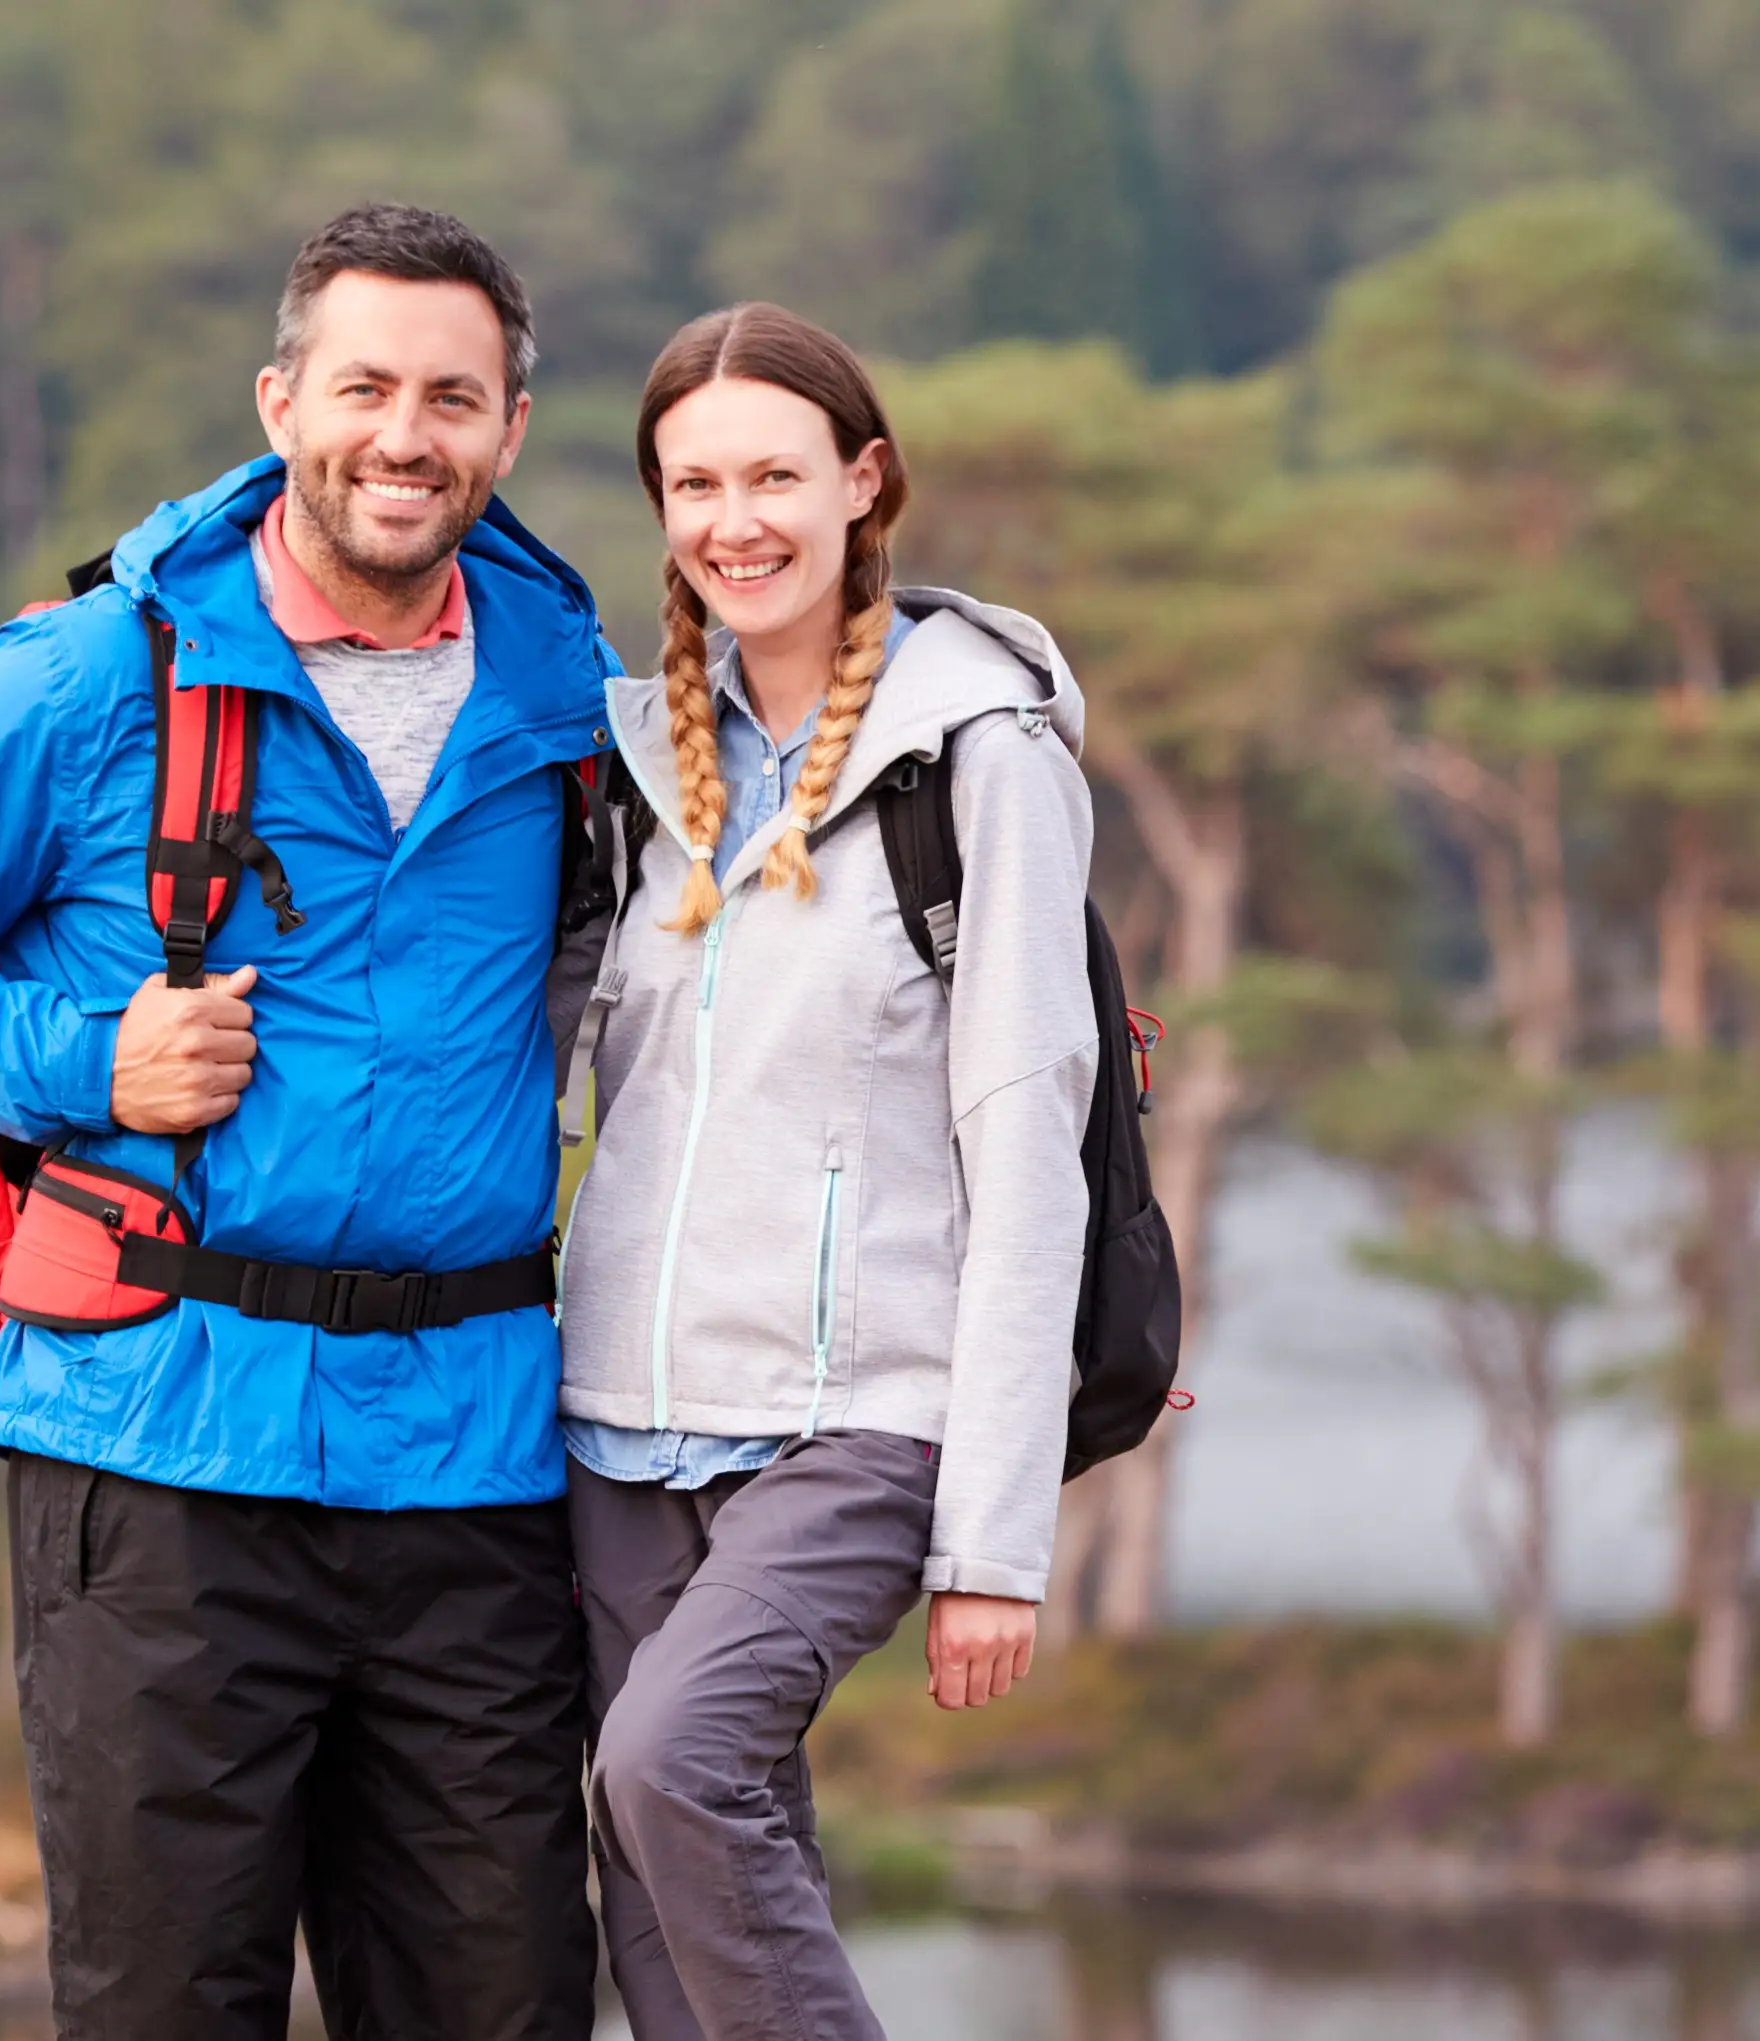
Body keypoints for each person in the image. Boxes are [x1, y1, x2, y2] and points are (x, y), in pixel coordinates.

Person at [0, 204, 616, 2041]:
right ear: (281, 401)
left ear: (511, 431)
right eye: (365, 388)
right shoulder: (94, 671)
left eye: (452, 398)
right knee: (166, 2009)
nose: (405, 436)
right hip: (158, 1456)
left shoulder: (571, 688)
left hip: (473, 1468)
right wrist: (89, 1063)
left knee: (508, 2008)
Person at [555, 300, 1091, 2041]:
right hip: (622, 1419)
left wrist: (993, 1542)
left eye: (776, 476)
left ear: (865, 481)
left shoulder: (980, 756)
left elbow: (1033, 1151)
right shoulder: (636, 765)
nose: (738, 522)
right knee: (651, 1863)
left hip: (863, 1416)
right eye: (696, 485)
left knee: (670, 1761)